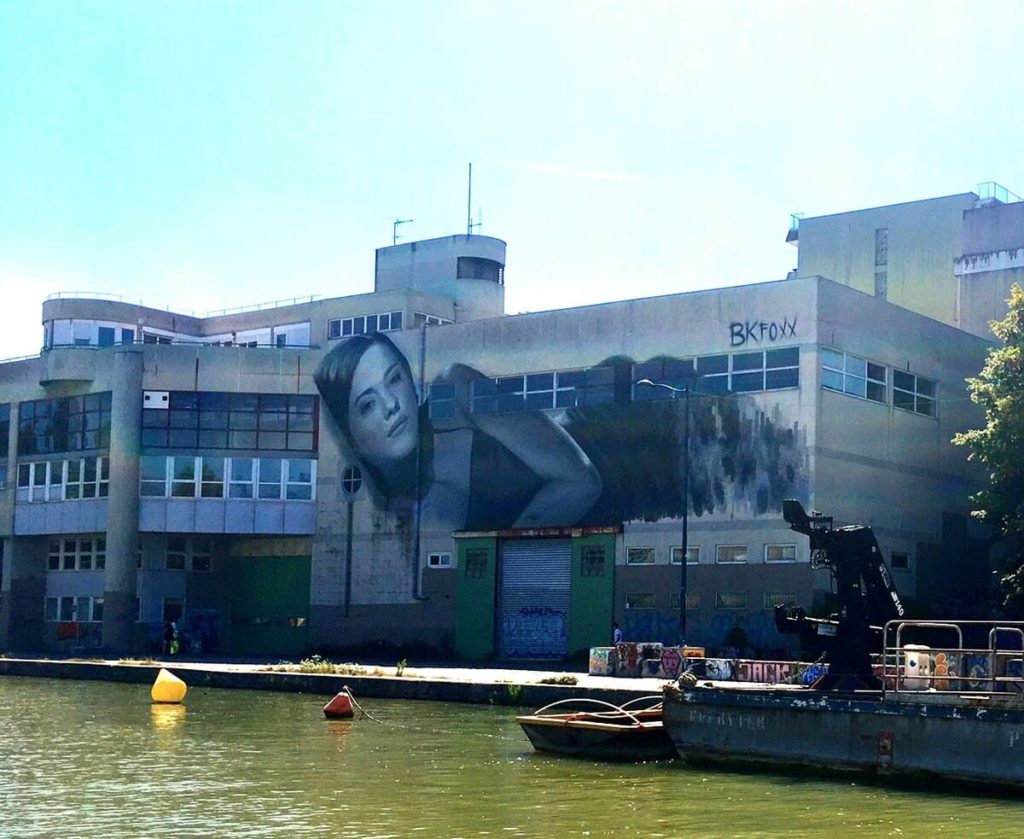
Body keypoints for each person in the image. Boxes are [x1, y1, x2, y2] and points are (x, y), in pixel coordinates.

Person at [314, 332, 601, 531]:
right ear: (351, 439)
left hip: (610, 445)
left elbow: (581, 480)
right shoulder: (392, 508)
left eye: (394, 379)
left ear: (413, 386)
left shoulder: (455, 391)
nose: (391, 405)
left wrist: (500, 555)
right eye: (367, 405)